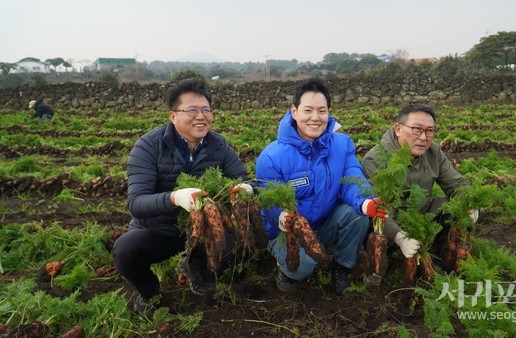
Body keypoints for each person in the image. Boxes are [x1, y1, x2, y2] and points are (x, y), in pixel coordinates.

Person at [111, 77, 254, 314]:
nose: (201, 116)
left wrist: (246, 189)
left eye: (206, 110)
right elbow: (136, 203)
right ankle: (149, 292)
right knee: (125, 251)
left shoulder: (218, 145)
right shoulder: (148, 146)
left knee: (245, 244)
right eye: (192, 110)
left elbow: (244, 180)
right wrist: (174, 198)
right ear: (173, 116)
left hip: (205, 228)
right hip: (159, 230)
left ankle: (198, 266)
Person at [255, 77, 387, 296]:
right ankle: (286, 271)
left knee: (358, 215)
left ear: (329, 112)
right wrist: (281, 217)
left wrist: (365, 201)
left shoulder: (342, 144)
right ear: (294, 111)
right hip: (286, 231)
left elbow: (352, 178)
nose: (315, 118)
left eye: (322, 111)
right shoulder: (271, 157)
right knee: (303, 266)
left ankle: (342, 266)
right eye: (308, 110)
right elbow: (268, 203)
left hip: (325, 224)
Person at [361, 103, 478, 273]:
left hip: (422, 220)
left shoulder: (434, 153)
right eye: (417, 129)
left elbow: (457, 184)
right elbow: (376, 207)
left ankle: (439, 255)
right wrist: (399, 237)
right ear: (398, 129)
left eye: (429, 131)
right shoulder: (376, 159)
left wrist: (468, 203)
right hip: (390, 223)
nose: (423, 137)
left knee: (449, 205)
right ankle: (384, 265)